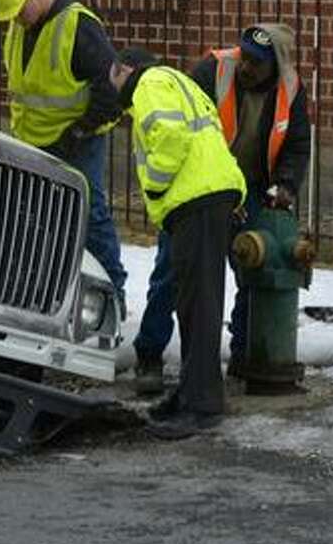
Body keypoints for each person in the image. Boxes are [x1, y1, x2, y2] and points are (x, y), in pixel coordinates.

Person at [132, 24, 310, 394]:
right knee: (172, 270)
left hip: (253, 190)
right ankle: (149, 353)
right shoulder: (212, 70)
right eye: (244, 55)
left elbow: (296, 145)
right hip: (201, 187)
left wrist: (286, 185)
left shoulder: (291, 91)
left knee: (254, 266)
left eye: (256, 62)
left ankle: (244, 356)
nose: (245, 65)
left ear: (275, 66)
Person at [110, 47, 245, 439]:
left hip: (196, 197)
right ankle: (190, 394)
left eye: (113, 76)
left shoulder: (149, 84)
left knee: (199, 305)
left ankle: (202, 405)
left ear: (127, 70)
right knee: (193, 302)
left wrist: (154, 184)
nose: (111, 86)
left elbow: (170, 135)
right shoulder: (177, 80)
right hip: (210, 193)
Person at [0, 0, 126, 304]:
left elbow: (111, 90)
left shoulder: (79, 26)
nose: (16, 20)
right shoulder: (21, 27)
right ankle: (38, 289)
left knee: (90, 214)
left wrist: (81, 130)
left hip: (79, 141)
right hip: (32, 139)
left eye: (20, 11)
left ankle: (113, 293)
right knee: (34, 217)